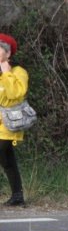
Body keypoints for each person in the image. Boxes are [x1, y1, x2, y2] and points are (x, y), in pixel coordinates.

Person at [0, 34, 28, 207]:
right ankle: (17, 195)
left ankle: (17, 195)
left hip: (9, 124)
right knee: (7, 159)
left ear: (8, 53)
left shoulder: (19, 72)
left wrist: (6, 73)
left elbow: (15, 95)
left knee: (3, 153)